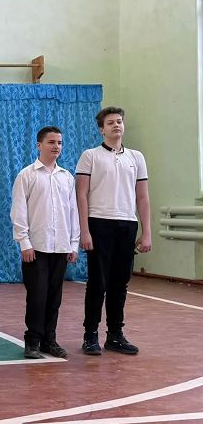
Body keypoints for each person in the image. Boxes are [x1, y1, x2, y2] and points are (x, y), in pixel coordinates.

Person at [76, 106, 151, 355]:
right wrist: (84, 231)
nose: (116, 125)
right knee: (98, 282)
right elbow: (81, 194)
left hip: (127, 224)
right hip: (99, 223)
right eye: (110, 123)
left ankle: (115, 335)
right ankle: (90, 335)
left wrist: (147, 232)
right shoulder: (90, 156)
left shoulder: (136, 158)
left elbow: (142, 197)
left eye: (119, 121)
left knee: (120, 283)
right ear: (101, 129)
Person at [10, 127, 79, 360]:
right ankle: (32, 341)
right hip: (36, 247)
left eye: (59, 142)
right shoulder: (26, 175)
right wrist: (24, 242)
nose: (56, 146)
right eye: (51, 142)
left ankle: (50, 340)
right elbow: (19, 211)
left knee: (54, 297)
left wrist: (73, 244)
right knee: (37, 296)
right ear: (39, 145)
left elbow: (72, 212)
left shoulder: (66, 177)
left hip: (60, 246)